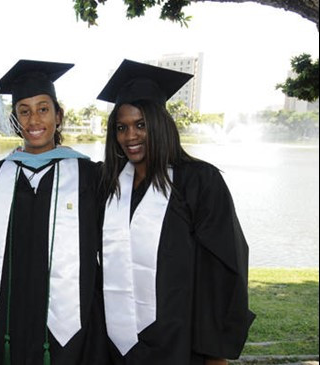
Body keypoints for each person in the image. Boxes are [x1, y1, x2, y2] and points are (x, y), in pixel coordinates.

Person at [97, 60, 255, 365]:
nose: (131, 136)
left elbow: (224, 268)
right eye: (122, 127)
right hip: (119, 346)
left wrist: (216, 352)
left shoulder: (199, 181)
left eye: (141, 124)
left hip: (182, 344)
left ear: (160, 122)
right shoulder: (110, 186)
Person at [0, 59, 109, 365]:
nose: (34, 119)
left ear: (58, 116)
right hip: (8, 320)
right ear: (15, 119)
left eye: (43, 108)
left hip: (71, 321)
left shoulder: (90, 175)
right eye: (24, 111)